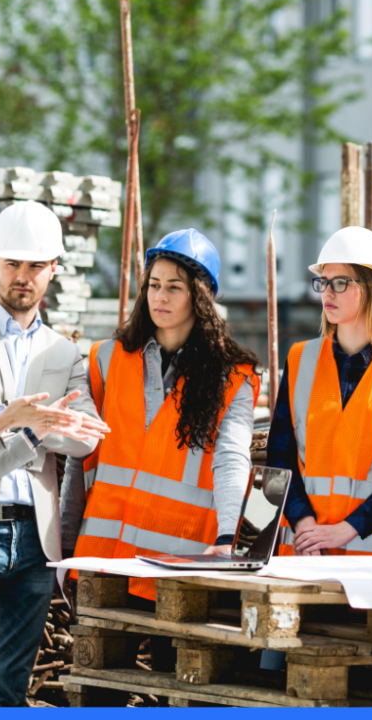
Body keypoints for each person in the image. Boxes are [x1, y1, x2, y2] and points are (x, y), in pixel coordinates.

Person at [0, 202, 109, 706]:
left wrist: (0, 416)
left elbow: (84, 438)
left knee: (9, 686)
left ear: (53, 270)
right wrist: (18, 416)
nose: (23, 276)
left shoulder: (64, 353)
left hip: (35, 539)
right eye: (13, 263)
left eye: (35, 265)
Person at [62, 228, 260, 628]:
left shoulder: (232, 377)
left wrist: (226, 539)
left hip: (177, 567)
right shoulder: (106, 359)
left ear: (201, 296)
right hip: (103, 560)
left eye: (174, 287)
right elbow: (77, 461)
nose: (160, 297)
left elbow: (232, 460)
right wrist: (65, 545)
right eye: (153, 285)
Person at [267, 227, 372, 557]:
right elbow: (279, 458)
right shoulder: (300, 359)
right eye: (323, 281)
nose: (327, 293)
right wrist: (304, 523)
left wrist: (346, 529)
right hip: (302, 556)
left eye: (340, 282)